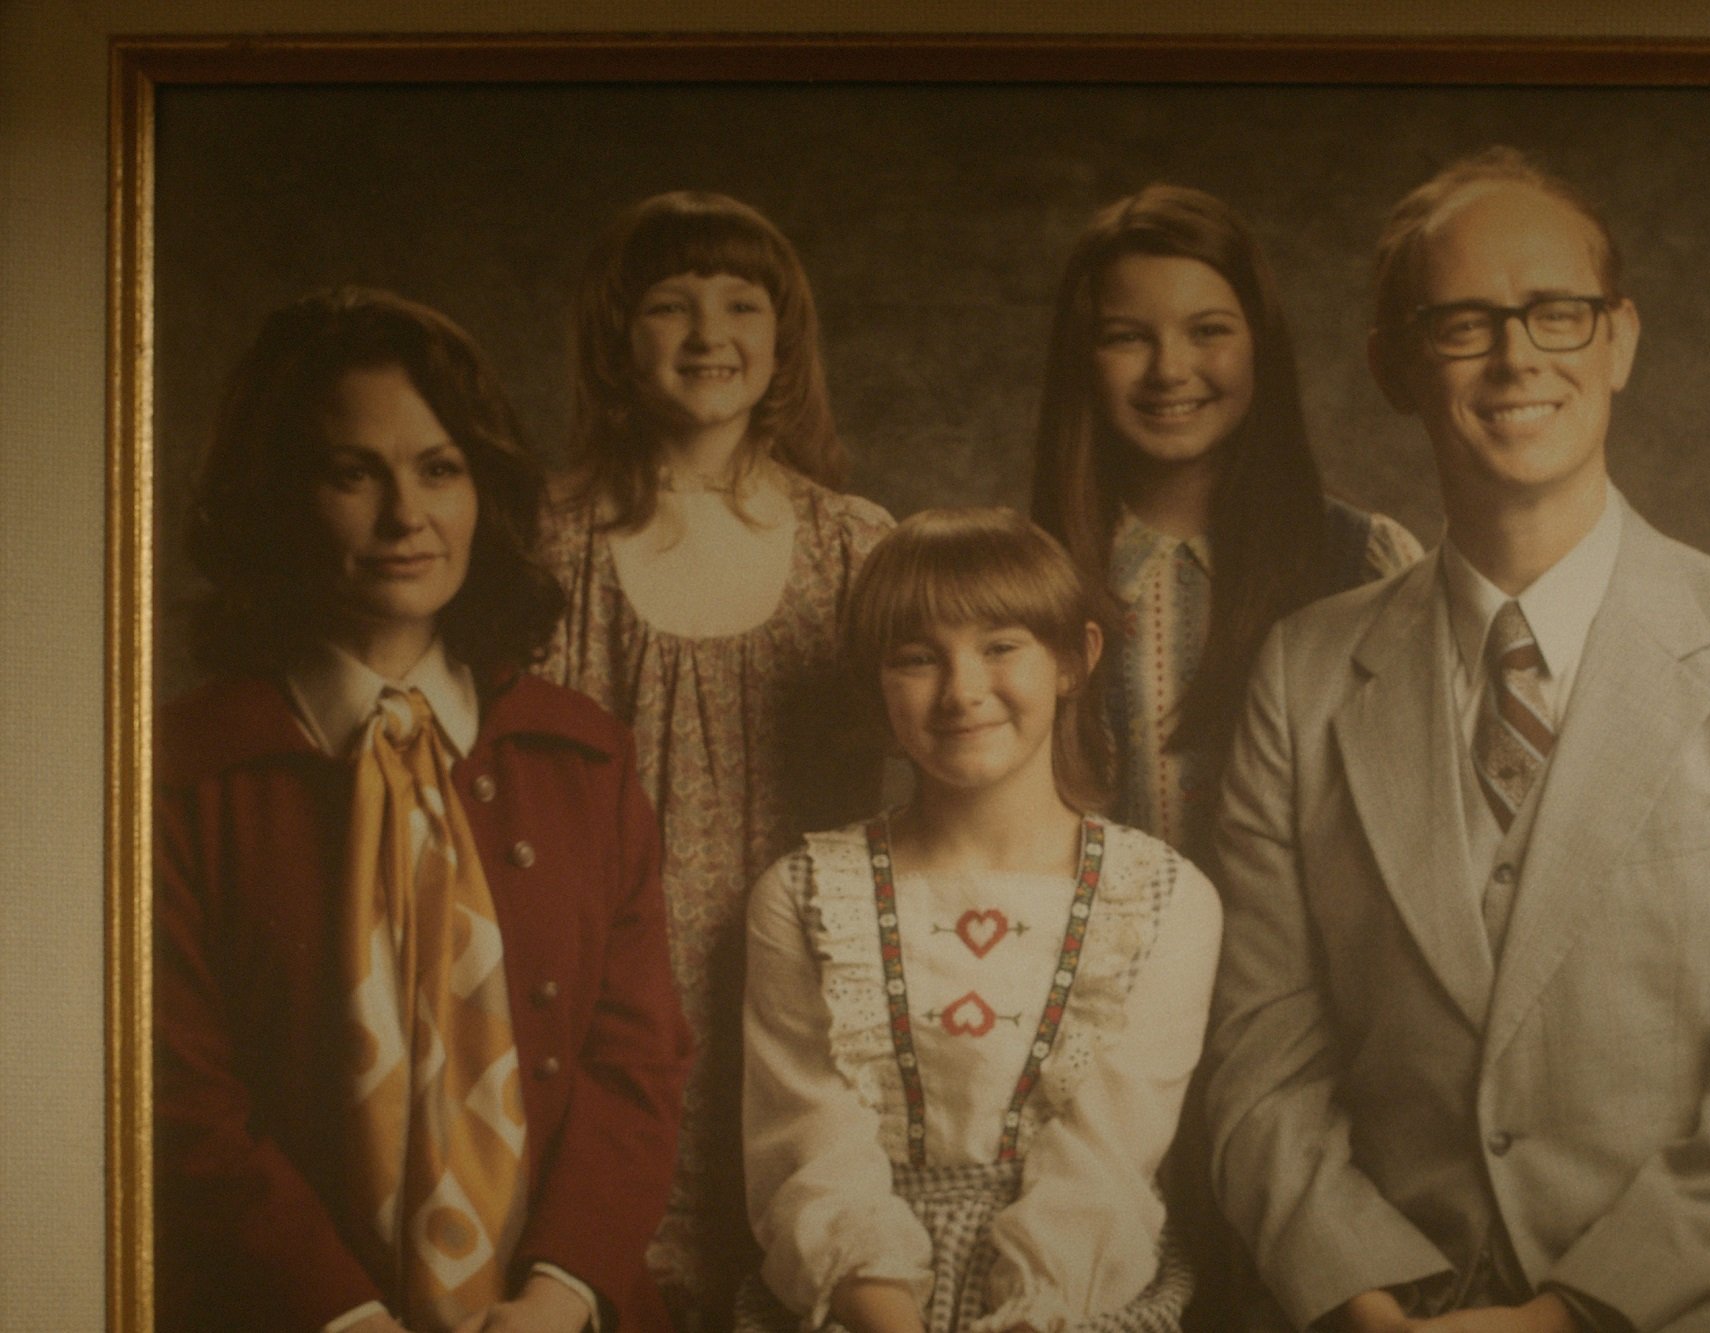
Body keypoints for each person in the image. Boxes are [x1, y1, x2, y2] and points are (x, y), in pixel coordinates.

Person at [1206, 147, 1710, 1333]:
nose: (1515, 358)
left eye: (1556, 312)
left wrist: (1566, 1315)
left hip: (1689, 1306)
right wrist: (1357, 1293)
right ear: (1393, 364)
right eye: (1460, 324)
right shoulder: (1300, 675)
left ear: (1619, 340)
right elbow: (1257, 1055)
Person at [154, 287, 693, 1333]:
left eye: (439, 469)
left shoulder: (579, 757)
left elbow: (636, 1061)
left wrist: (559, 1290)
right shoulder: (185, 775)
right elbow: (182, 1101)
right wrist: (342, 1315)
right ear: (277, 495)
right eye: (352, 473)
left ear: (482, 487)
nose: (407, 517)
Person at [533, 191, 896, 1329]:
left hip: (799, 990)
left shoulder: (850, 543)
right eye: (669, 305)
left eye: (741, 304)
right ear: (613, 334)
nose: (708, 334)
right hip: (604, 984)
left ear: (782, 337)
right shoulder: (549, 542)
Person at [734, 507, 1222, 1333]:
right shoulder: (808, 893)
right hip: (859, 1306)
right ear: (876, 682)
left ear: (1076, 659)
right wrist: (888, 1314)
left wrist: (1030, 1313)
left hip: (1066, 1301)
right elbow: (809, 1152)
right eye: (917, 658)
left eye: (1001, 646)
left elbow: (1106, 1161)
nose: (962, 690)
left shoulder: (1164, 899)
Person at [1029, 182, 1420, 868]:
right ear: (1082, 360)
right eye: (1126, 337)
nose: (1170, 370)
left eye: (1208, 330)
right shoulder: (1027, 571)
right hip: (1090, 966)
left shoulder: (1364, 562)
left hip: (1304, 969)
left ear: (1258, 345)